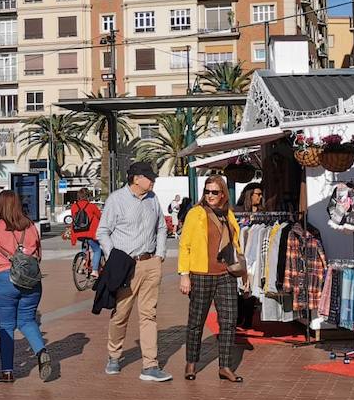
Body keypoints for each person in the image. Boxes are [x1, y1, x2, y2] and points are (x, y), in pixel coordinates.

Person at [97, 161, 172, 382]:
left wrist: (159, 255)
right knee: (121, 314)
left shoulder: (153, 199)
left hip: (150, 263)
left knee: (149, 314)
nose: (153, 180)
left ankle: (150, 365)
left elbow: (161, 227)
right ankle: (114, 355)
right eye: (149, 177)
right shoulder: (116, 200)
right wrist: (113, 257)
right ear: (136, 178)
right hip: (125, 265)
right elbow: (102, 232)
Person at [0, 189, 54, 383]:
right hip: (31, 281)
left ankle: (7, 371)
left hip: (5, 281)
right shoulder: (30, 226)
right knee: (27, 320)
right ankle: (41, 351)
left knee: (6, 326)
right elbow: (38, 256)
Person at [178, 175, 244, 383]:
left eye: (215, 192)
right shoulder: (195, 214)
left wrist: (244, 273)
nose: (210, 196)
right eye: (207, 192)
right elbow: (184, 245)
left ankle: (225, 366)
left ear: (223, 193)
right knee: (196, 322)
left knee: (229, 321)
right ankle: (191, 362)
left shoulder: (229, 215)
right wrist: (184, 275)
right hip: (201, 274)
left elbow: (235, 245)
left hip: (226, 274)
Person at [70, 188, 102, 277]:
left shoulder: (74, 206)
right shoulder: (91, 206)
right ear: (87, 196)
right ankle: (95, 270)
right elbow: (100, 216)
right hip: (90, 233)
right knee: (97, 250)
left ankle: (83, 260)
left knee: (85, 245)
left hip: (78, 233)